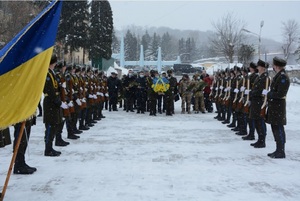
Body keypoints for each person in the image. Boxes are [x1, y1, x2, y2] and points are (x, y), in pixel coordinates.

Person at [266, 57, 290, 158]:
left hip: (278, 107)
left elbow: (280, 93)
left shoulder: (283, 77)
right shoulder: (279, 76)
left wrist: (269, 94)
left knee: (278, 128)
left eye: (274, 65)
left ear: (276, 66)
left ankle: (281, 151)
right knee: (275, 127)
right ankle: (278, 149)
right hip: (275, 106)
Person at [43, 54, 64, 156]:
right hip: (50, 102)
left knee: (54, 125)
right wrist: (57, 101)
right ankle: (48, 149)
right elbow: (49, 89)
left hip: (54, 101)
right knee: (50, 126)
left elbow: (56, 87)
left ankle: (50, 147)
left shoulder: (51, 73)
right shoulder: (47, 74)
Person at [249, 60, 269, 148]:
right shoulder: (259, 77)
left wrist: (253, 92)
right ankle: (259, 139)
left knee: (260, 122)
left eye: (259, 66)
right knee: (256, 121)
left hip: (259, 102)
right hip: (255, 102)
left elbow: (262, 91)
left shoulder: (265, 77)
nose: (257, 68)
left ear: (263, 68)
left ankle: (262, 140)